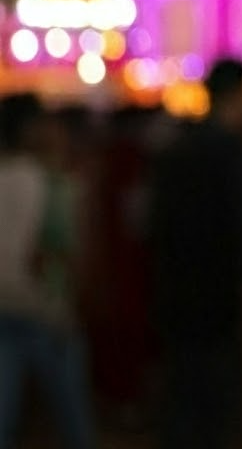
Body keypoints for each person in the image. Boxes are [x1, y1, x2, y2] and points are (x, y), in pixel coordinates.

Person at [148, 58, 242, 449]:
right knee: (217, 413)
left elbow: (155, 227)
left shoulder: (177, 151)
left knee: (183, 407)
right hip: (221, 302)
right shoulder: (235, 156)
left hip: (178, 296)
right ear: (239, 95)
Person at [0, 93, 93, 449]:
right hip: (47, 313)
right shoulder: (52, 182)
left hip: (5, 309)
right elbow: (65, 251)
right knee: (72, 420)